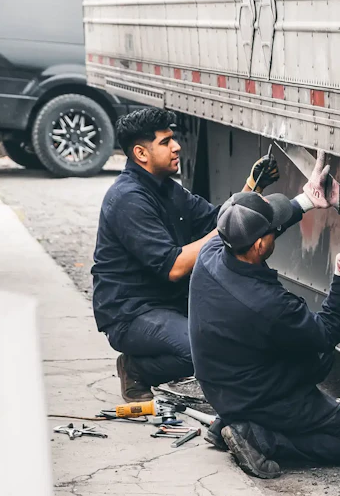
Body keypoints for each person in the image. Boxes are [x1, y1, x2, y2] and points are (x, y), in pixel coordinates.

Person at [91, 107, 280, 402]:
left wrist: (253, 186)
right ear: (141, 153)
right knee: (203, 351)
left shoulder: (168, 190)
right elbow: (175, 266)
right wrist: (232, 227)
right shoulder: (128, 199)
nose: (177, 146)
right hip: (131, 313)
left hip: (171, 306)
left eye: (173, 139)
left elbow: (218, 219)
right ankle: (137, 368)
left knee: (241, 334)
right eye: (166, 142)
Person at [188, 182, 340, 479]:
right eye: (272, 230)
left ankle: (227, 421)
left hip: (220, 384)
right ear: (260, 245)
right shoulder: (268, 304)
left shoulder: (211, 252)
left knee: (318, 358)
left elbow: (261, 229)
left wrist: (307, 201)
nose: (276, 230)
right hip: (257, 395)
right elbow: (326, 331)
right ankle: (258, 437)